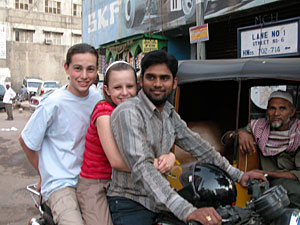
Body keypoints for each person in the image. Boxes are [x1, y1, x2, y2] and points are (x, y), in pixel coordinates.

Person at [107, 50, 266, 225]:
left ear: (174, 82)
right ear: (140, 81)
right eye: (151, 77)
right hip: (132, 203)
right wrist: (186, 210)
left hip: (162, 202)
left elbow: (200, 147)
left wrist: (239, 175)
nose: (157, 84)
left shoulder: (168, 113)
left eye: (164, 78)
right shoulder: (129, 112)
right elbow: (142, 167)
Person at [76, 61, 176, 225]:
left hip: (127, 184)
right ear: (107, 90)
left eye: (129, 86)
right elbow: (116, 161)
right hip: (98, 184)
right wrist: (154, 164)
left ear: (137, 86)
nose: (124, 93)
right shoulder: (104, 112)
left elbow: (158, 143)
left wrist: (170, 156)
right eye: (117, 88)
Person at [19, 43, 102, 225]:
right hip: (60, 184)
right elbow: (26, 140)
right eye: (77, 69)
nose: (84, 76)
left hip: (89, 180)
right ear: (66, 68)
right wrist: (43, 174)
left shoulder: (98, 98)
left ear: (97, 70)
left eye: (90, 69)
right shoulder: (53, 103)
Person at [222, 90, 300, 209]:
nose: (276, 113)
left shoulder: (298, 132)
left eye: (282, 109)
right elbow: (226, 139)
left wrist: (268, 173)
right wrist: (239, 134)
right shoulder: (259, 127)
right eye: (272, 108)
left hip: (289, 180)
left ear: (292, 111)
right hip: (267, 182)